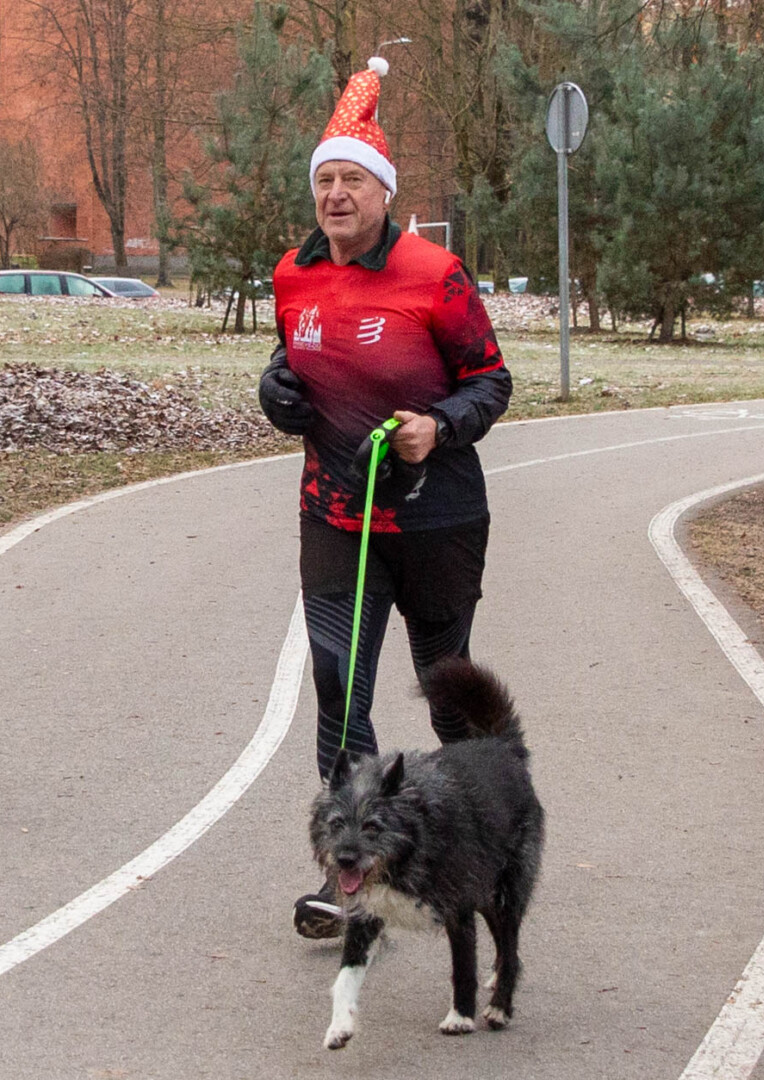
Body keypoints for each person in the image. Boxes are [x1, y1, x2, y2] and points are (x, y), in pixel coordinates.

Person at [258, 58, 513, 936]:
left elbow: (491, 382)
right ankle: (352, 875)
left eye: (352, 181)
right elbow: (293, 360)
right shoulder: (292, 275)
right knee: (339, 689)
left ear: (383, 192)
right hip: (335, 516)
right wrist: (274, 392)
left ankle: (475, 845)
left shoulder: (435, 274)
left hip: (436, 519)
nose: (335, 195)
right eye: (324, 180)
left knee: (446, 698)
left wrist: (437, 426)